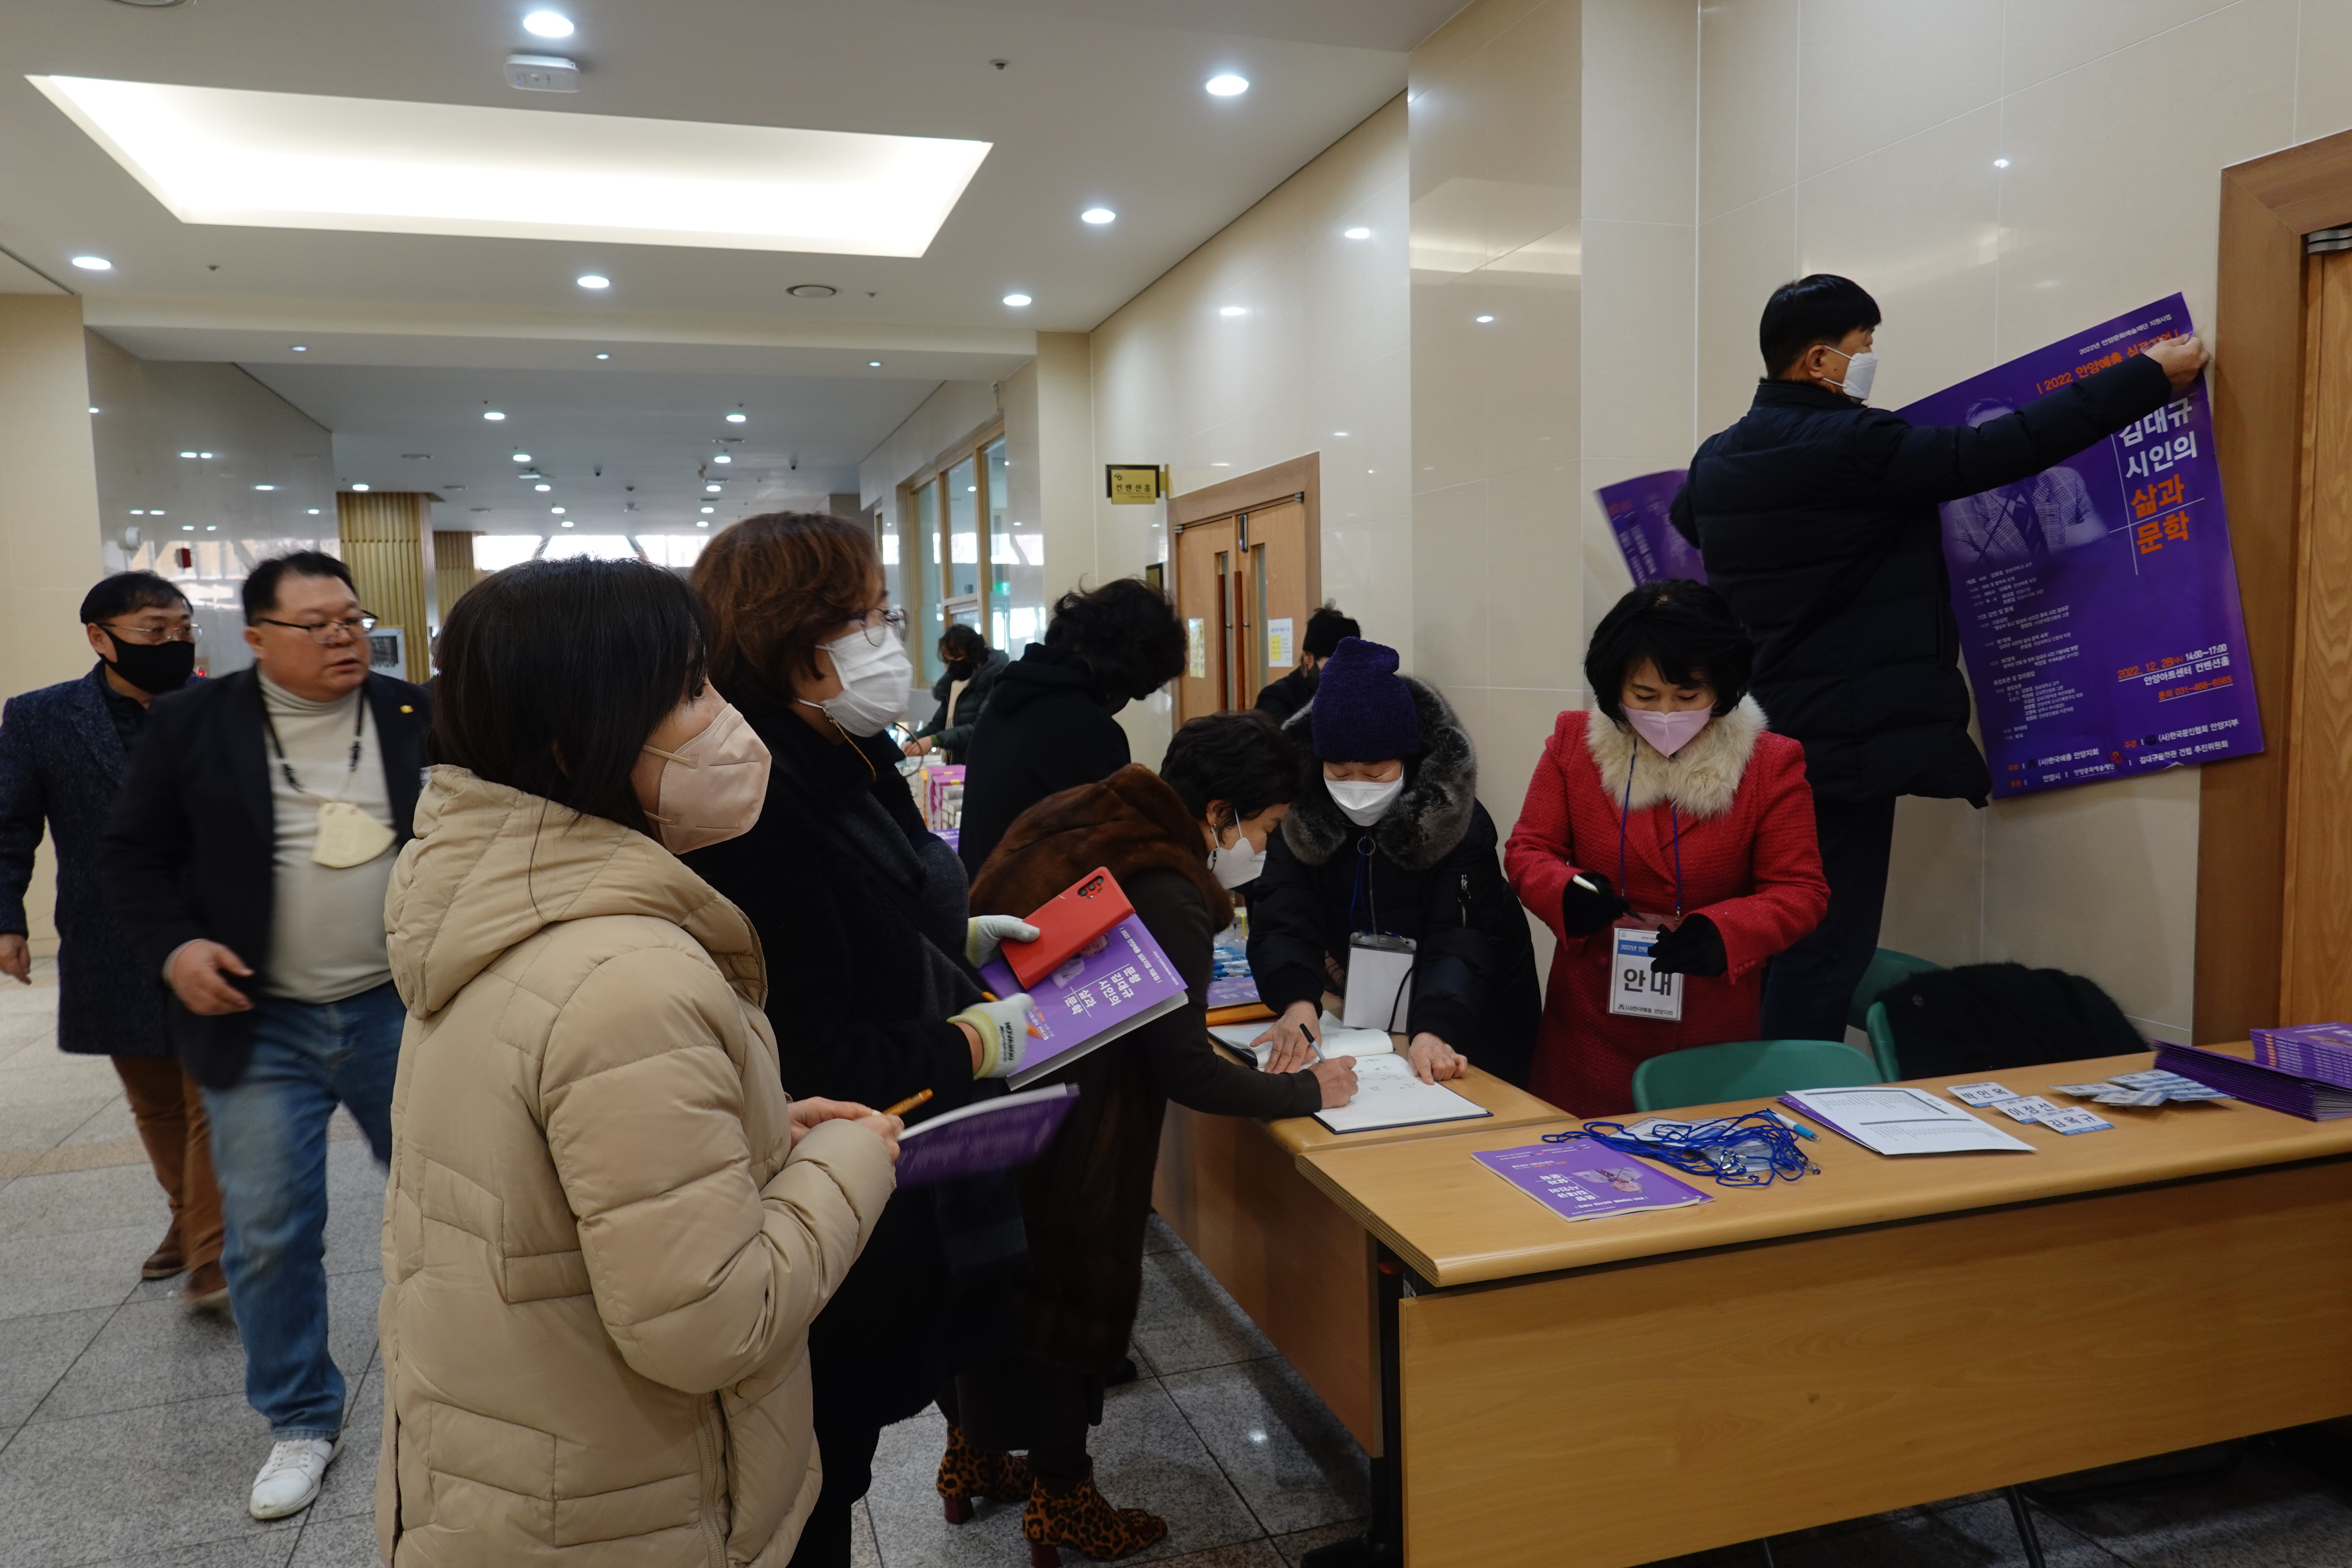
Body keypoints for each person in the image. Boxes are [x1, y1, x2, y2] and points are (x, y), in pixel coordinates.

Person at [376, 556, 900, 1567]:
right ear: (578, 737)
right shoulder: (628, 977)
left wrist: (756, 1135)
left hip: (521, 1471)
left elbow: (554, 1186)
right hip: (634, 1509)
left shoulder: (489, 909)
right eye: (692, 689)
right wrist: (851, 1162)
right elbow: (709, 1324)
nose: (724, 719)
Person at [1669, 273, 2210, 1043]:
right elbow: (1999, 449)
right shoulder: (1856, 444)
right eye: (1863, 345)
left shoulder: (1719, 458)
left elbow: (1688, 518)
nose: (1869, 359)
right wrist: (2147, 377)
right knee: (1825, 942)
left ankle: (1756, 1085)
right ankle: (1793, 1099)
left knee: (1777, 929)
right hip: (1845, 739)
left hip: (1759, 732)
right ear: (1818, 360)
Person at [682, 512, 1039, 1568]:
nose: (889, 639)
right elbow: (810, 1052)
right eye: (867, 617)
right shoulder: (755, 796)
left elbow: (865, 913)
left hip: (887, 1175)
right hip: (824, 1182)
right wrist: (971, 1045)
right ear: (792, 637)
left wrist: (950, 940)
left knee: (843, 1457)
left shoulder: (845, 746)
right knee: (812, 1478)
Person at [956, 711, 1354, 1561]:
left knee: (993, 1292)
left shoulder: (1079, 812)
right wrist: (1304, 1088)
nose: (1262, 848)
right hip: (1074, 1134)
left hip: (992, 1089)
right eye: (1264, 827)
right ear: (1217, 812)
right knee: (1062, 1310)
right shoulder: (1167, 889)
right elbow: (1187, 1071)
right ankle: (1063, 1498)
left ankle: (971, 1457)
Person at [103, 551, 429, 1521]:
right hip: (261, 1016)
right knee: (272, 1229)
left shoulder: (411, 712)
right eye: (315, 624)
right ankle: (300, 1417)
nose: (343, 638)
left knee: (449, 1201)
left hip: (397, 1004)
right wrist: (177, 947)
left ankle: (464, 1375)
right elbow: (133, 856)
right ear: (255, 638)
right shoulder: (194, 723)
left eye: (351, 619)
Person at [1503, 581, 1830, 1115]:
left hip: (1708, 1027)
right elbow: (1528, 850)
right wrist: (1567, 892)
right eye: (1645, 696)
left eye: (1688, 696)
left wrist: (1724, 932)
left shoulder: (1769, 763)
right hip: (1589, 1023)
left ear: (1721, 687)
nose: (1666, 713)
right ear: (1615, 687)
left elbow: (1800, 890)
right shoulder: (1575, 744)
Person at [0, 572, 227, 1306]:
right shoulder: (39, 717)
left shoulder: (223, 708)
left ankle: (213, 1249)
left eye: (183, 628)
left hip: (214, 925)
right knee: (155, 1097)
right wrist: (7, 917)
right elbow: (9, 824)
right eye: (154, 631)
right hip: (109, 928)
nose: (173, 642)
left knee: (212, 1091)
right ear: (100, 637)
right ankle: (186, 1215)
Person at [1250, 637, 1542, 1089]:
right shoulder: (1302, 810)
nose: (1357, 787)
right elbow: (1283, 913)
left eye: (1376, 774)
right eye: (1339, 773)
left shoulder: (1453, 820)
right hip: (1371, 1010)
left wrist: (1436, 1028)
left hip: (1473, 1008)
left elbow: (1462, 937)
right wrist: (1297, 1001)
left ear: (1407, 760)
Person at [956, 578, 1188, 879]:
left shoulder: (1006, 702)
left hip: (982, 898)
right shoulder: (1089, 731)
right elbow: (1114, 861)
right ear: (1127, 669)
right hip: (1039, 904)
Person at [1941, 400, 2107, 567]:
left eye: (2011, 434)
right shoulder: (1957, 518)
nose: (2004, 447)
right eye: (1988, 439)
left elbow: (2103, 546)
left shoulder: (2066, 480)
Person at [904, 622, 1008, 763]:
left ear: (973, 653)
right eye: (947, 660)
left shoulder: (995, 682)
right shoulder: (954, 683)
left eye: (956, 657)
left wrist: (935, 740)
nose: (951, 665)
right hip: (958, 763)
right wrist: (914, 740)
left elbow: (981, 727)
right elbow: (938, 724)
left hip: (983, 762)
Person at [1253, 603, 1360, 723]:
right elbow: (1286, 734)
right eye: (1335, 664)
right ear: (1308, 658)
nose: (1343, 672)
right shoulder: (1275, 698)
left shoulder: (1356, 693)